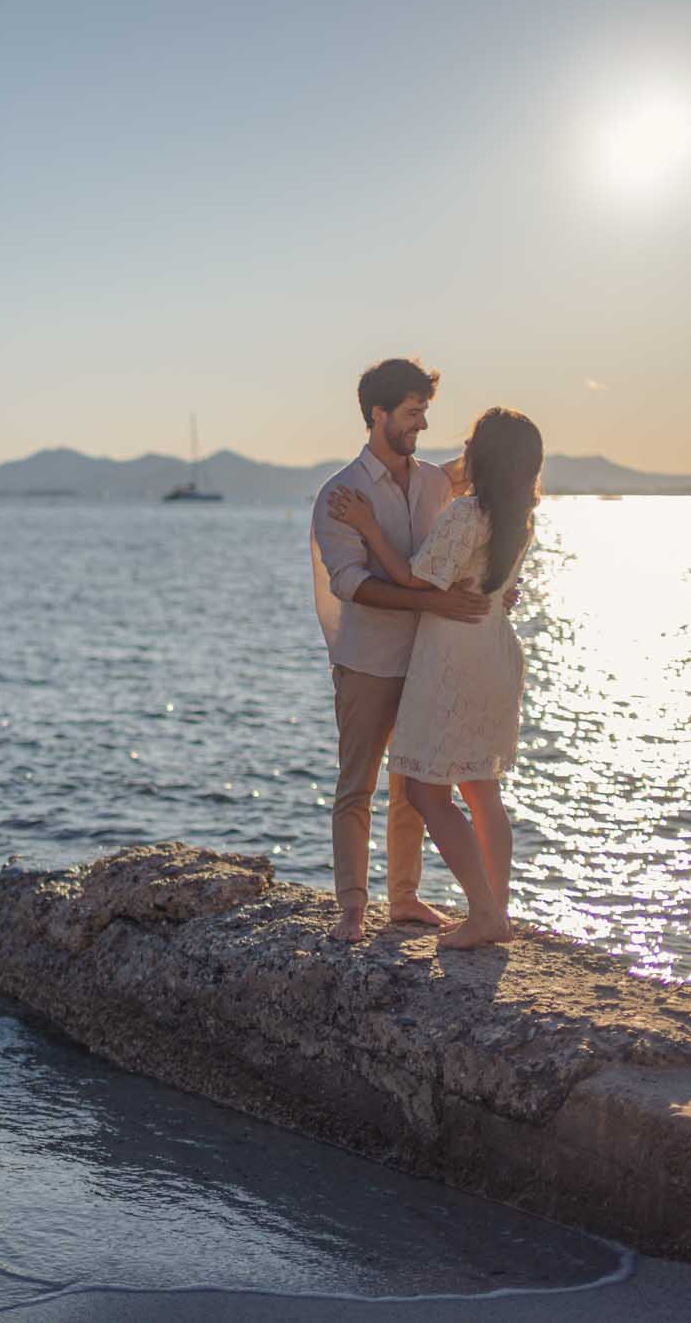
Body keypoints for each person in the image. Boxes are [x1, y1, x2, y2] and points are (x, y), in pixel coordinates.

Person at [325, 406, 543, 950]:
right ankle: (496, 912)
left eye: (471, 443)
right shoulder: (519, 516)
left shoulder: (467, 514)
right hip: (495, 651)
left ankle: (485, 913)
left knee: (426, 790)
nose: (464, 450)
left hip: (453, 658)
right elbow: (489, 583)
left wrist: (367, 525)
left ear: (484, 455)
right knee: (483, 789)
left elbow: (411, 580)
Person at [310, 359, 491, 944]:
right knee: (356, 787)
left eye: (424, 412)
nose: (422, 424)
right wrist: (431, 603)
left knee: (414, 786)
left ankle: (405, 899)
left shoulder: (436, 483)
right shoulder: (341, 493)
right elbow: (351, 583)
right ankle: (352, 907)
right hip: (366, 661)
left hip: (428, 658)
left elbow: (456, 549)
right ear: (378, 414)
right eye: (413, 413)